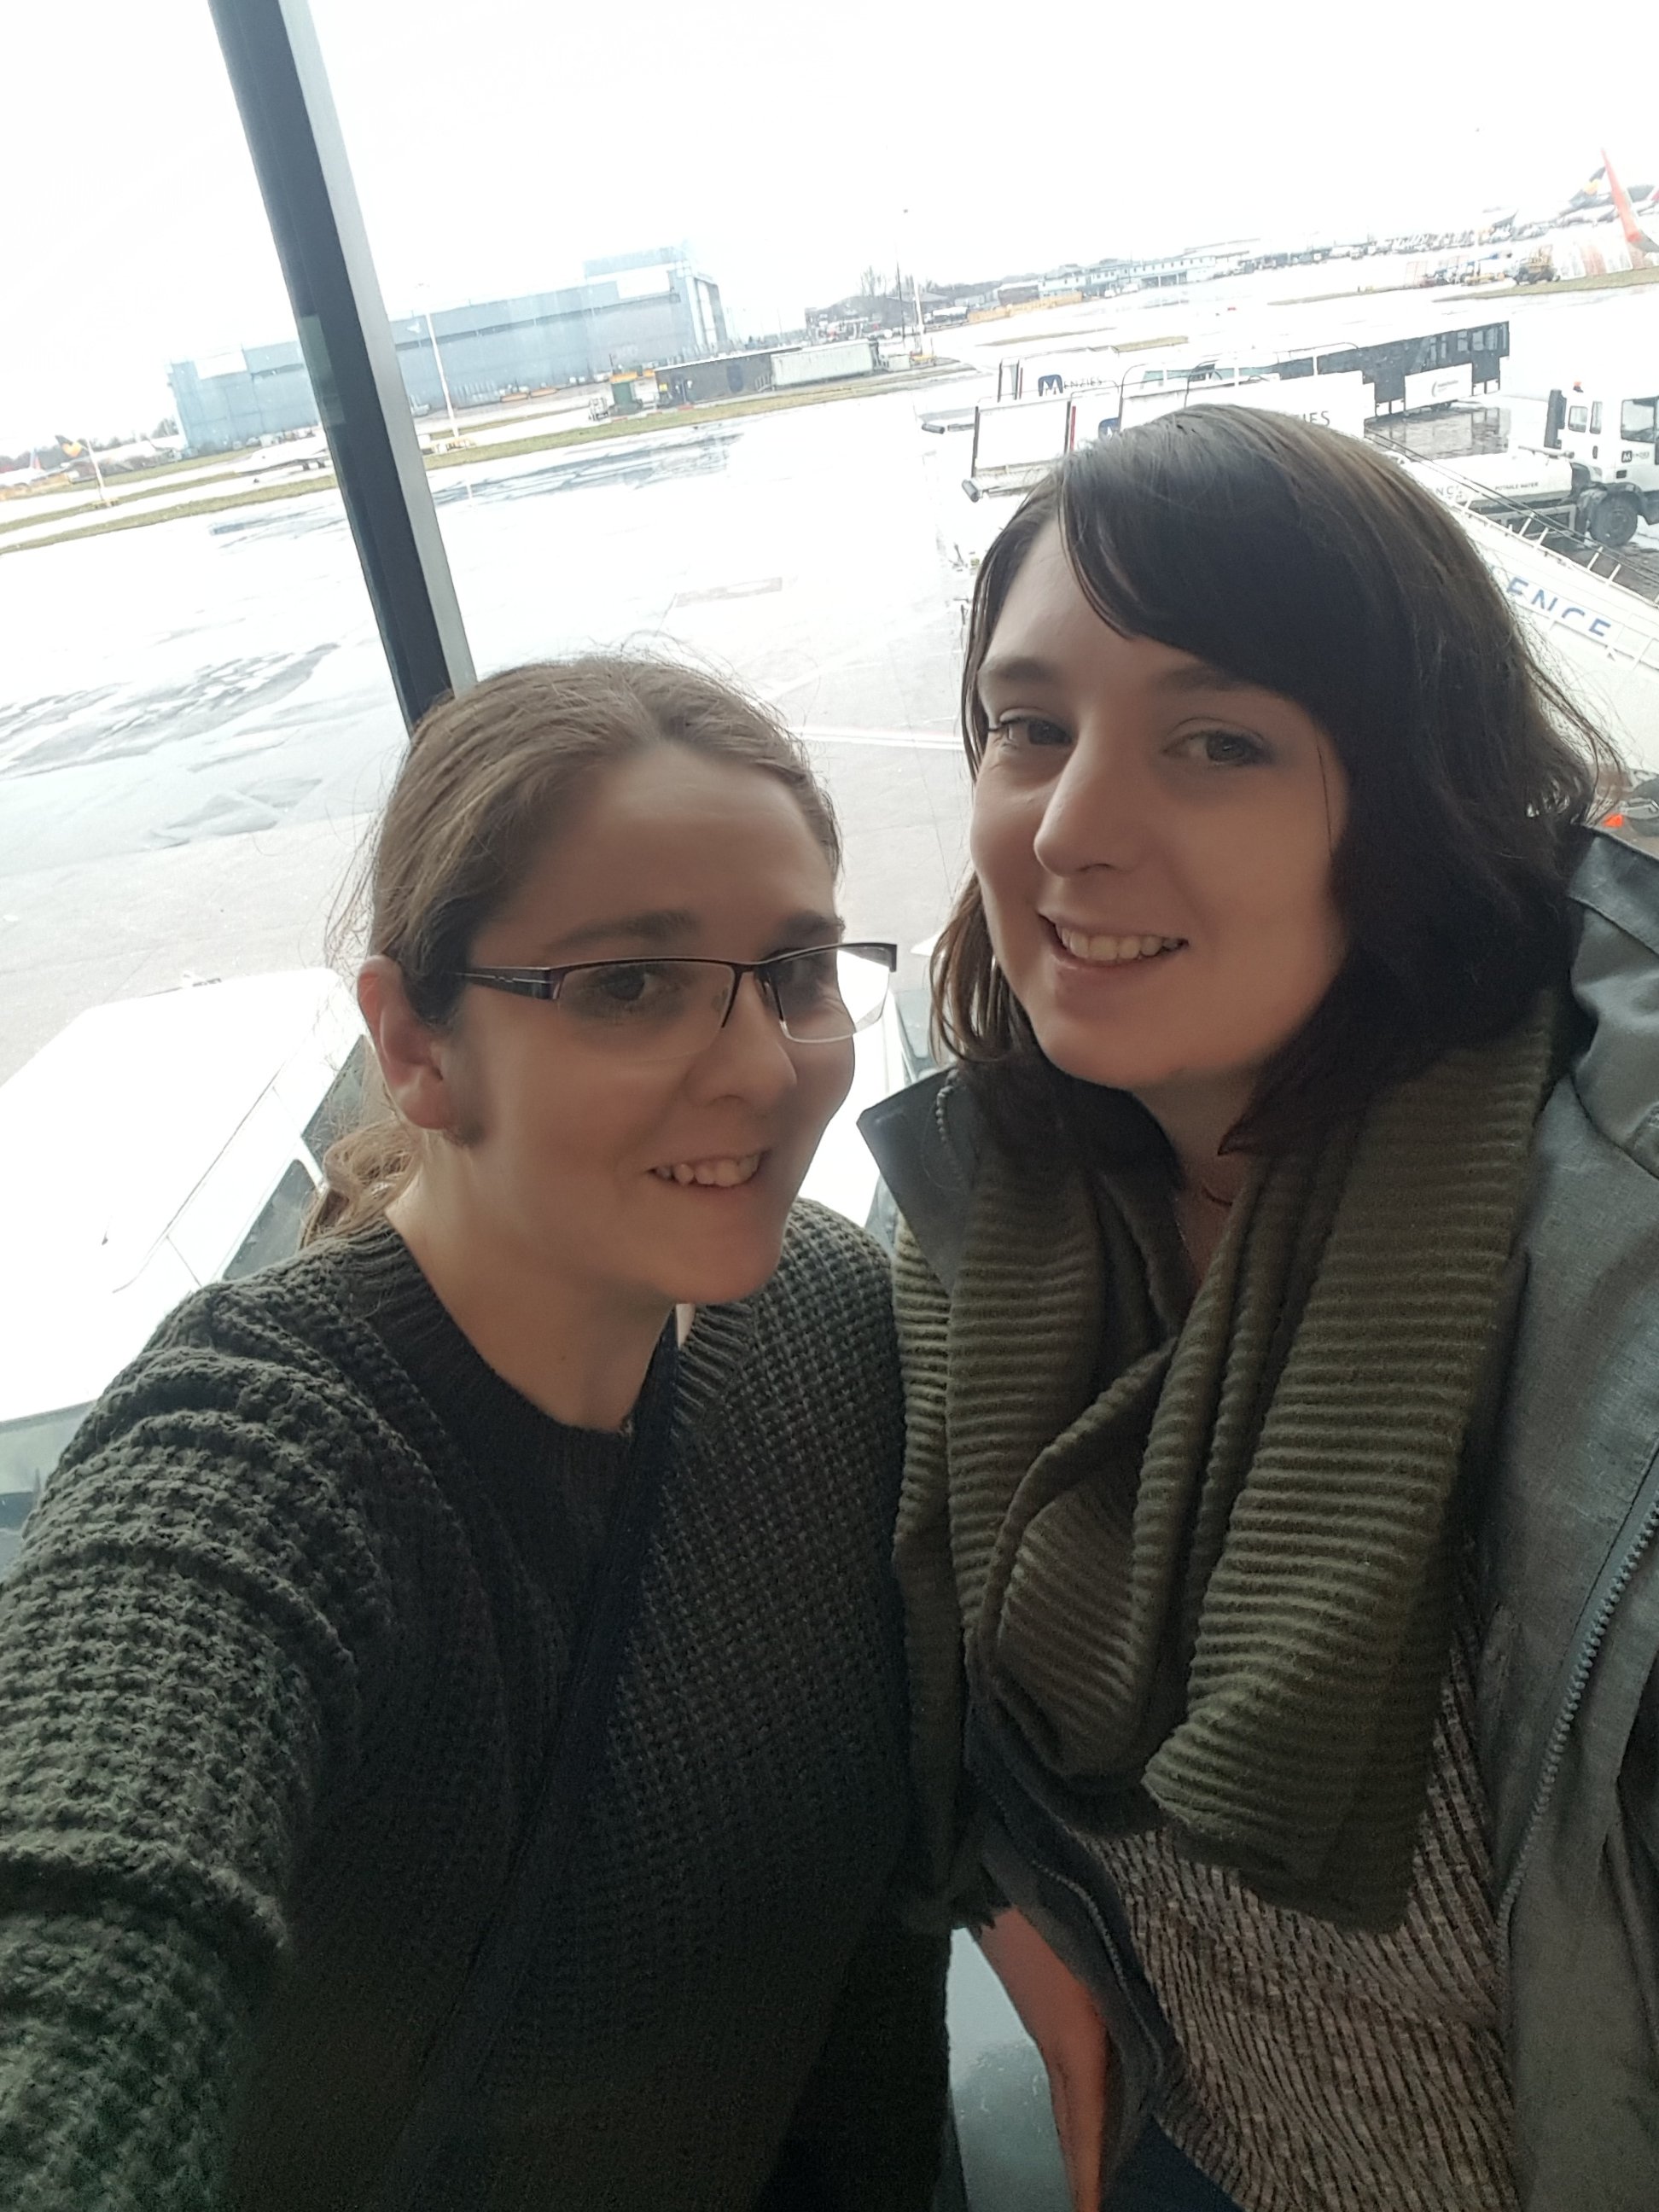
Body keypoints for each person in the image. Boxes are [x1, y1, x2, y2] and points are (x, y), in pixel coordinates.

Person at [0, 656, 947, 2211]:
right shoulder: (271, 1454)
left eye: (793, 970)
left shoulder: (831, 1322)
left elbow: (866, 1940)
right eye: (630, 984)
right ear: (417, 1045)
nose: (765, 1068)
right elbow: (88, 1923)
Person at [861, 406, 1659, 2212]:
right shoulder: (983, 1230)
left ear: (1411, 796)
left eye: (1215, 742)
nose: (1071, 830)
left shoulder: (1598, 1279)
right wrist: (1021, 1924)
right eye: (1029, 728)